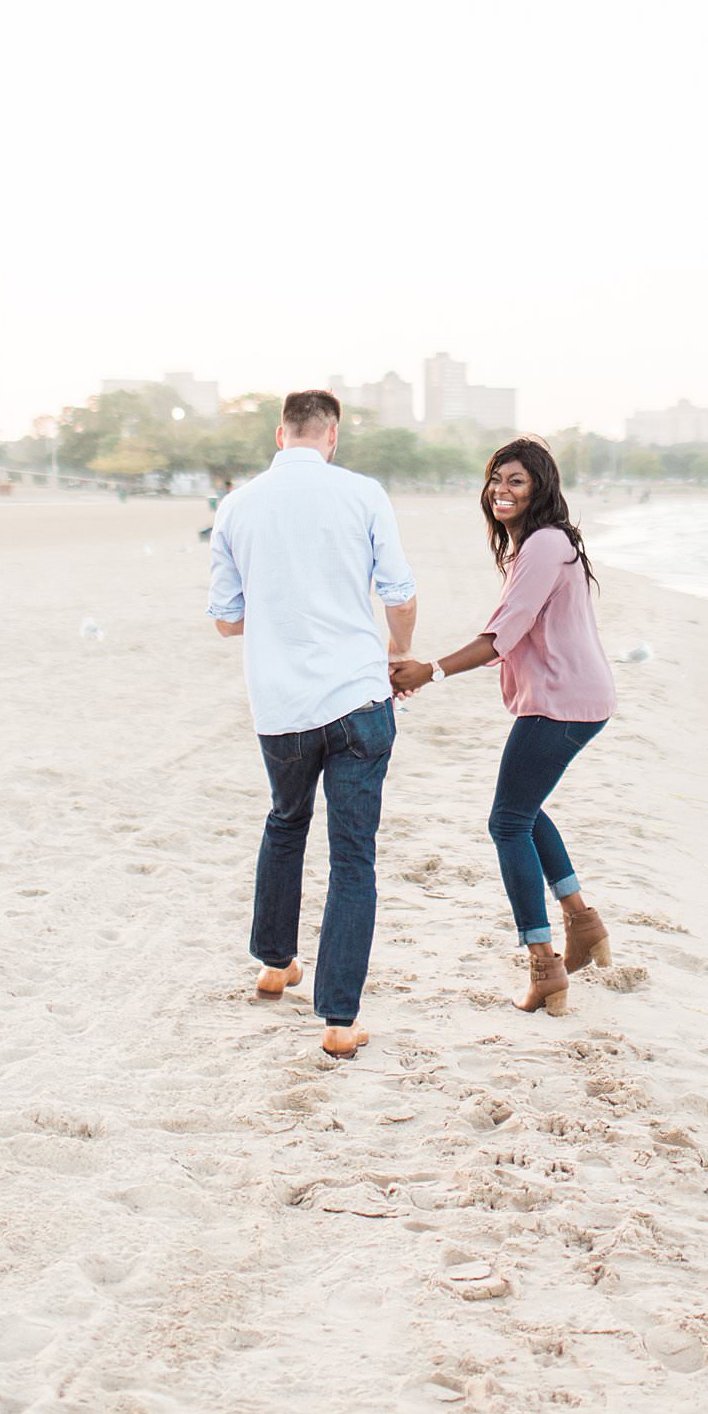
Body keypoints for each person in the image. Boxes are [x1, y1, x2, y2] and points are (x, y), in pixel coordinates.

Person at [207, 389, 416, 1059]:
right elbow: (400, 594)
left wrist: (277, 604)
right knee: (353, 855)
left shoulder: (236, 506)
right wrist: (396, 653)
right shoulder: (362, 493)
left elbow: (226, 618)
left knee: (285, 820)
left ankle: (275, 963)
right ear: (332, 435)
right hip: (357, 694)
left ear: (280, 434)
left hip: (281, 704)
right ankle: (338, 1018)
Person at [392, 437, 614, 1017]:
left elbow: (501, 636)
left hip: (562, 703)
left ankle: (545, 966)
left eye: (516, 481)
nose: (501, 491)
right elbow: (509, 637)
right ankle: (583, 923)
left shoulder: (543, 544)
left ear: (540, 487)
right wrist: (433, 669)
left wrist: (431, 669)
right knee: (526, 809)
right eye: (496, 480)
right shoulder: (543, 545)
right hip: (577, 698)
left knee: (507, 822)